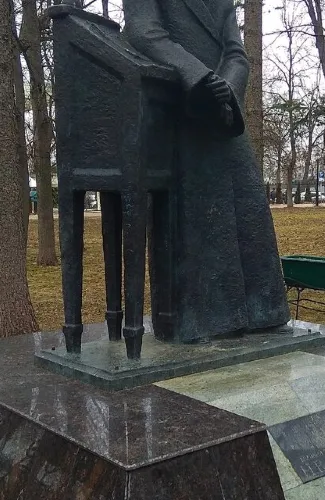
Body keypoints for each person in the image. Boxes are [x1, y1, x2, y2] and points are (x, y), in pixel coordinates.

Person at [123, 0, 290, 342]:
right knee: (199, 219)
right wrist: (200, 77)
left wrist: (227, 88)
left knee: (250, 212)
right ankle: (207, 318)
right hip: (179, 110)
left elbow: (236, 53)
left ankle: (263, 310)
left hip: (224, 115)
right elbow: (144, 32)